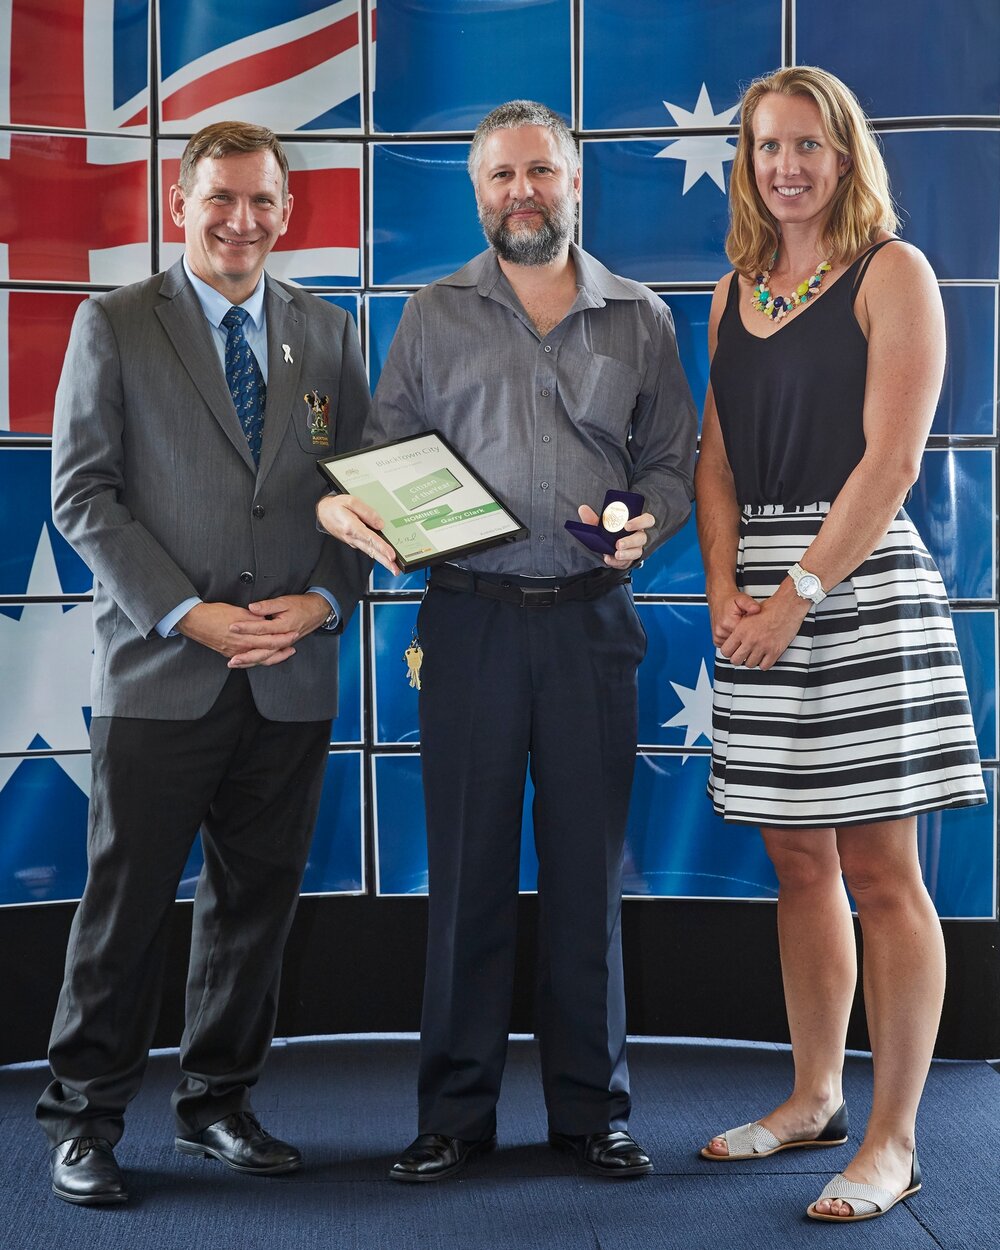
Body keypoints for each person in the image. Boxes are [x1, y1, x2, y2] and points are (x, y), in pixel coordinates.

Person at [319, 100, 697, 1183]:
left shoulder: (641, 319)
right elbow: (388, 448)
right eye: (499, 177)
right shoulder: (432, 313)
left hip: (590, 621)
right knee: (469, 876)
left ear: (575, 183)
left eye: (539, 172)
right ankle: (452, 1113)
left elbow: (671, 463)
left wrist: (648, 522)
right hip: (469, 621)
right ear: (476, 190)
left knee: (588, 878)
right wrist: (367, 510)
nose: (520, 192)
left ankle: (593, 1113)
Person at [36, 120, 370, 1206]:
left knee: (254, 901)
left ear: (287, 211)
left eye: (262, 202)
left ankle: (218, 1098)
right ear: (180, 203)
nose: (241, 221)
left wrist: (323, 601)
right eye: (220, 199)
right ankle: (84, 1114)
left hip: (288, 670)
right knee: (124, 902)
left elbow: (360, 501)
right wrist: (188, 613)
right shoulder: (116, 322)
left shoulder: (326, 331)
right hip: (159, 667)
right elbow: (84, 493)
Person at [694, 66, 986, 1222]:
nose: (787, 165)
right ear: (748, 163)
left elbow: (892, 462)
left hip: (853, 586)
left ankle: (893, 1137)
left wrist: (796, 593)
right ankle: (813, 1093)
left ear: (844, 152)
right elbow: (714, 460)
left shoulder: (891, 272)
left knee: (880, 870)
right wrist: (724, 587)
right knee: (797, 862)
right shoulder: (730, 290)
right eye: (767, 146)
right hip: (757, 592)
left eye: (808, 144)